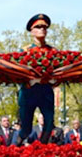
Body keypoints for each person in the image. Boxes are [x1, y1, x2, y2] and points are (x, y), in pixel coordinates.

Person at [16, 14, 56, 146]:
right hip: (29, 92)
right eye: (38, 27)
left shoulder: (53, 51)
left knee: (49, 124)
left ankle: (42, 149)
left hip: (45, 91)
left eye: (44, 27)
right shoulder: (25, 50)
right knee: (26, 128)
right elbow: (19, 72)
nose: (42, 29)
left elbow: (59, 72)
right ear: (32, 31)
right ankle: (16, 146)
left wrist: (52, 80)